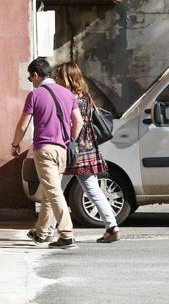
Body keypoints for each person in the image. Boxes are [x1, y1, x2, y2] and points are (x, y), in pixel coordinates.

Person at [11, 57, 83, 249]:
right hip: (63, 149)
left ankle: (67, 234)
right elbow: (79, 122)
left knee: (52, 191)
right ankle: (42, 233)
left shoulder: (35, 95)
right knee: (50, 192)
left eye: (30, 77)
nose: (31, 81)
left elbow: (23, 124)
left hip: (44, 149)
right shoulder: (68, 94)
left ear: (35, 75)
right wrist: (71, 141)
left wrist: (15, 144)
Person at [55, 62, 121, 243]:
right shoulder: (85, 96)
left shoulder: (68, 97)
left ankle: (49, 229)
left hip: (73, 149)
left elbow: (75, 123)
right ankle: (112, 226)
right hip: (88, 148)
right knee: (92, 189)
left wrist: (71, 142)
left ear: (67, 77)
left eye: (59, 75)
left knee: (55, 189)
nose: (56, 79)